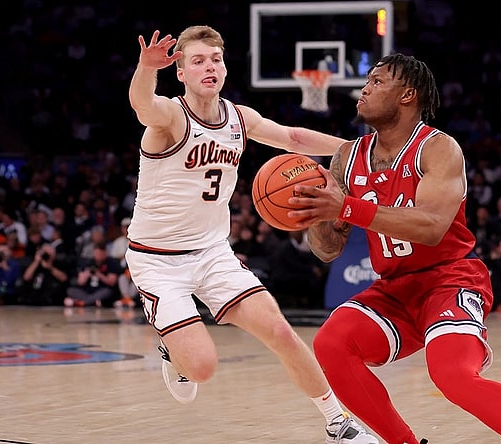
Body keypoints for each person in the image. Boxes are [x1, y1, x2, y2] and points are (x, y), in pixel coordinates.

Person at [288, 53, 501, 444]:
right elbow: (328, 250)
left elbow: (432, 228)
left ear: (408, 95)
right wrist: (316, 215)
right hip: (394, 289)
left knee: (452, 376)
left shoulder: (438, 148)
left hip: (450, 280)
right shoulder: (346, 157)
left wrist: (348, 206)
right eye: (367, 81)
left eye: (377, 81)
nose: (364, 88)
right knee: (331, 343)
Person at [124, 26, 376, 444]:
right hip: (157, 260)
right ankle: (173, 350)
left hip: (212, 253)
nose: (210, 67)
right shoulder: (170, 117)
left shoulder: (239, 118)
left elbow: (293, 138)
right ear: (181, 72)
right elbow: (142, 104)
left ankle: (338, 422)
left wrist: (355, 150)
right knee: (202, 367)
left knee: (279, 330)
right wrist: (146, 67)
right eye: (198, 60)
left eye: (216, 59)